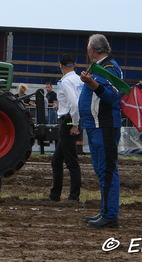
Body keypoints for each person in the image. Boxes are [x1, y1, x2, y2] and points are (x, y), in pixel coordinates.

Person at [78, 34, 122, 229]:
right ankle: (105, 211)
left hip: (104, 126)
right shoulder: (99, 67)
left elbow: (110, 96)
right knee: (101, 170)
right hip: (96, 127)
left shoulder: (110, 68)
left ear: (91, 50)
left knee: (108, 171)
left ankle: (111, 215)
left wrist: (90, 82)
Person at [49, 54, 84, 202]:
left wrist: (74, 124)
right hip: (73, 118)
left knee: (71, 161)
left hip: (69, 122)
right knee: (57, 160)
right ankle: (55, 194)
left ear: (61, 66)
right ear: (74, 65)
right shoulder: (79, 80)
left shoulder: (65, 81)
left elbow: (74, 104)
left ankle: (73, 196)